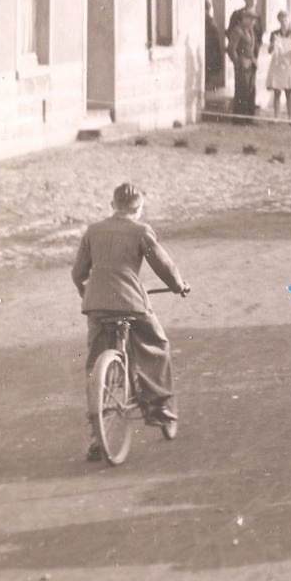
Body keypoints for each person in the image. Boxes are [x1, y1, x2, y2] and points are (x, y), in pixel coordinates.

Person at [71, 183, 190, 461]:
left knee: (96, 361)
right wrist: (178, 285)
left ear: (112, 205)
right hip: (130, 302)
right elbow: (163, 266)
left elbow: (78, 273)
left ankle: (96, 433)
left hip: (97, 306)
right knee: (156, 344)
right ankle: (159, 405)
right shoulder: (141, 231)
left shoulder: (93, 231)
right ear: (138, 208)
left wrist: (87, 293)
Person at [225, 0, 262, 124]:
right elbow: (230, 49)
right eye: (250, 19)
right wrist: (237, 62)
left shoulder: (250, 31)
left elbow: (253, 46)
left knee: (250, 91)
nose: (252, 22)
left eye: (253, 20)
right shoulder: (238, 31)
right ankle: (239, 118)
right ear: (244, 18)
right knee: (242, 91)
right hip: (242, 64)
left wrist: (253, 60)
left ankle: (249, 118)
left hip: (251, 64)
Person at [266, 11, 291, 120]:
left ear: (289, 20)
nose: (284, 22)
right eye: (281, 20)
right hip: (277, 63)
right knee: (277, 91)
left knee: (288, 92)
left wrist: (289, 61)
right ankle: (276, 116)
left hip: (289, 64)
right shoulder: (274, 34)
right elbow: (270, 51)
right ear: (279, 21)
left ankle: (290, 117)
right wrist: (272, 44)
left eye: (286, 20)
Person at [204, 0, 224, 91]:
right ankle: (207, 81)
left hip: (212, 34)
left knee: (213, 58)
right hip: (208, 34)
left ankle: (210, 81)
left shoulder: (211, 3)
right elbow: (208, 18)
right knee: (207, 58)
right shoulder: (205, 4)